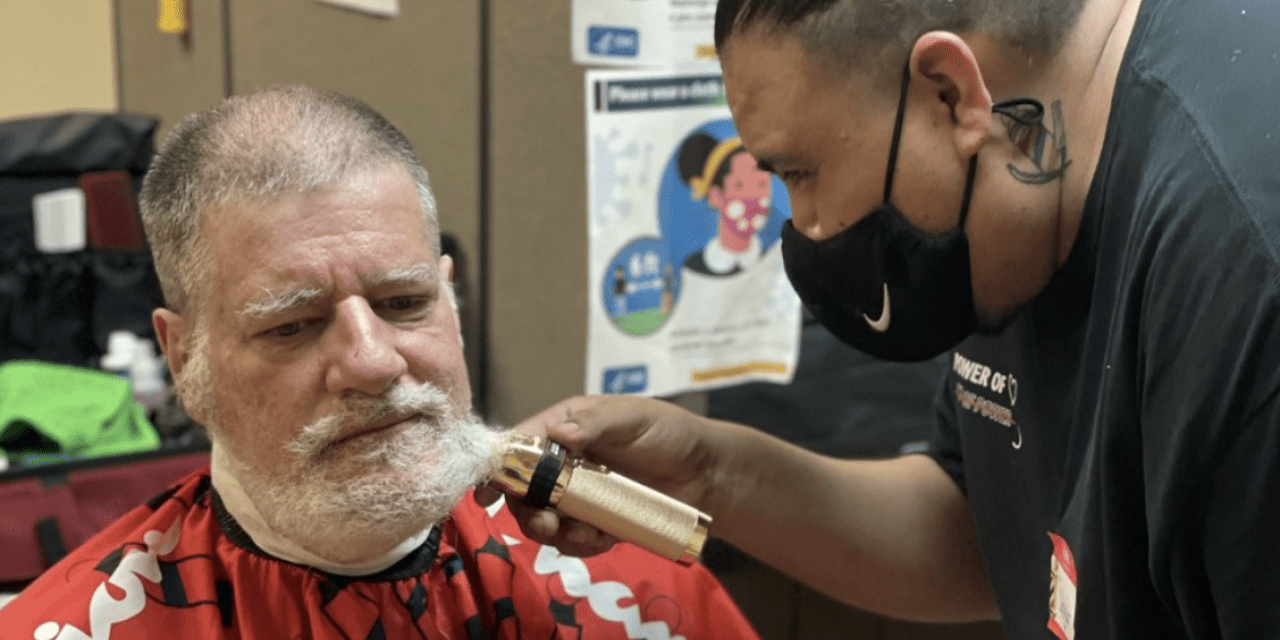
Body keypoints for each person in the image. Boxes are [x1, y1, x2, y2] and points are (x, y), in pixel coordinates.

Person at [500, 0, 1280, 638]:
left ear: (949, 91)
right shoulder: (1014, 192)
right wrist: (711, 471)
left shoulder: (1242, 264)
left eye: (801, 173)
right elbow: (980, 529)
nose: (802, 226)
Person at [0, 85, 760, 640]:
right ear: (183, 356)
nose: (371, 362)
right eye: (292, 326)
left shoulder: (632, 593)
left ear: (451, 304)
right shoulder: (82, 628)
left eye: (403, 303)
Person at [676, 132, 773, 277]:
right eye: (739, 186)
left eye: (762, 184)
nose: (753, 196)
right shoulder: (693, 268)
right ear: (716, 196)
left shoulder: (773, 259)